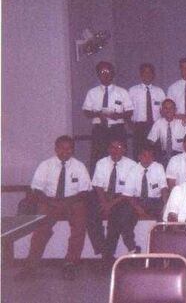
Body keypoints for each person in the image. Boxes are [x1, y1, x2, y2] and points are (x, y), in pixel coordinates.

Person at [15, 136, 91, 281]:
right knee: (40, 230)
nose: (65, 151)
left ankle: (70, 264)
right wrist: (50, 201)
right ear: (56, 149)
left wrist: (67, 201)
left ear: (72, 150)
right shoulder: (45, 165)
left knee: (79, 226)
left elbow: (84, 191)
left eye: (69, 148)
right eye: (62, 148)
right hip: (49, 201)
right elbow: (36, 189)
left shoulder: (79, 166)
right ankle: (30, 267)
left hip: (72, 201)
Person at [87, 140, 136, 263]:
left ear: (124, 150)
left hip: (122, 198)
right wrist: (104, 203)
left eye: (119, 147)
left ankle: (108, 254)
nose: (115, 150)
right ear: (108, 149)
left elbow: (129, 191)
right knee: (91, 216)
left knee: (116, 216)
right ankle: (104, 250)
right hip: (103, 195)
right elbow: (98, 186)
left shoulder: (132, 165)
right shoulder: (101, 163)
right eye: (112, 147)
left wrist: (110, 204)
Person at [82, 61, 133, 173]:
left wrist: (119, 115)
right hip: (100, 129)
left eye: (108, 72)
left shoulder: (122, 92)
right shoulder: (92, 92)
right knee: (98, 158)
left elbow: (129, 111)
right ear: (98, 74)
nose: (105, 75)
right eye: (102, 72)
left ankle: (121, 185)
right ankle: (98, 187)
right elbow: (86, 112)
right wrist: (98, 114)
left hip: (117, 129)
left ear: (113, 73)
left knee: (121, 158)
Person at [117, 145, 168, 253]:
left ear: (153, 158)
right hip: (137, 200)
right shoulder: (133, 170)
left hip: (155, 200)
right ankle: (132, 248)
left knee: (163, 218)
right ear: (139, 157)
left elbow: (163, 188)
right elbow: (128, 195)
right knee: (124, 216)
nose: (147, 159)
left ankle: (160, 249)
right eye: (144, 156)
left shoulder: (158, 167)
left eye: (150, 156)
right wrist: (138, 209)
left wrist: (166, 205)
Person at [128, 63, 166, 159]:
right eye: (145, 72)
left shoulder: (160, 91)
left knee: (156, 155)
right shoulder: (132, 91)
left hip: (156, 127)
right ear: (140, 74)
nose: (147, 74)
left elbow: (165, 111)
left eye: (150, 72)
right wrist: (131, 126)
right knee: (139, 155)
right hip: (139, 128)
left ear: (153, 75)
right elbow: (127, 110)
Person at [147, 99, 186, 167]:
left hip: (180, 155)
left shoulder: (182, 122)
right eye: (165, 108)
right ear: (162, 110)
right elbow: (151, 142)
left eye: (171, 108)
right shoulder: (158, 122)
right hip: (165, 155)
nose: (168, 110)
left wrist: (182, 117)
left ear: (175, 110)